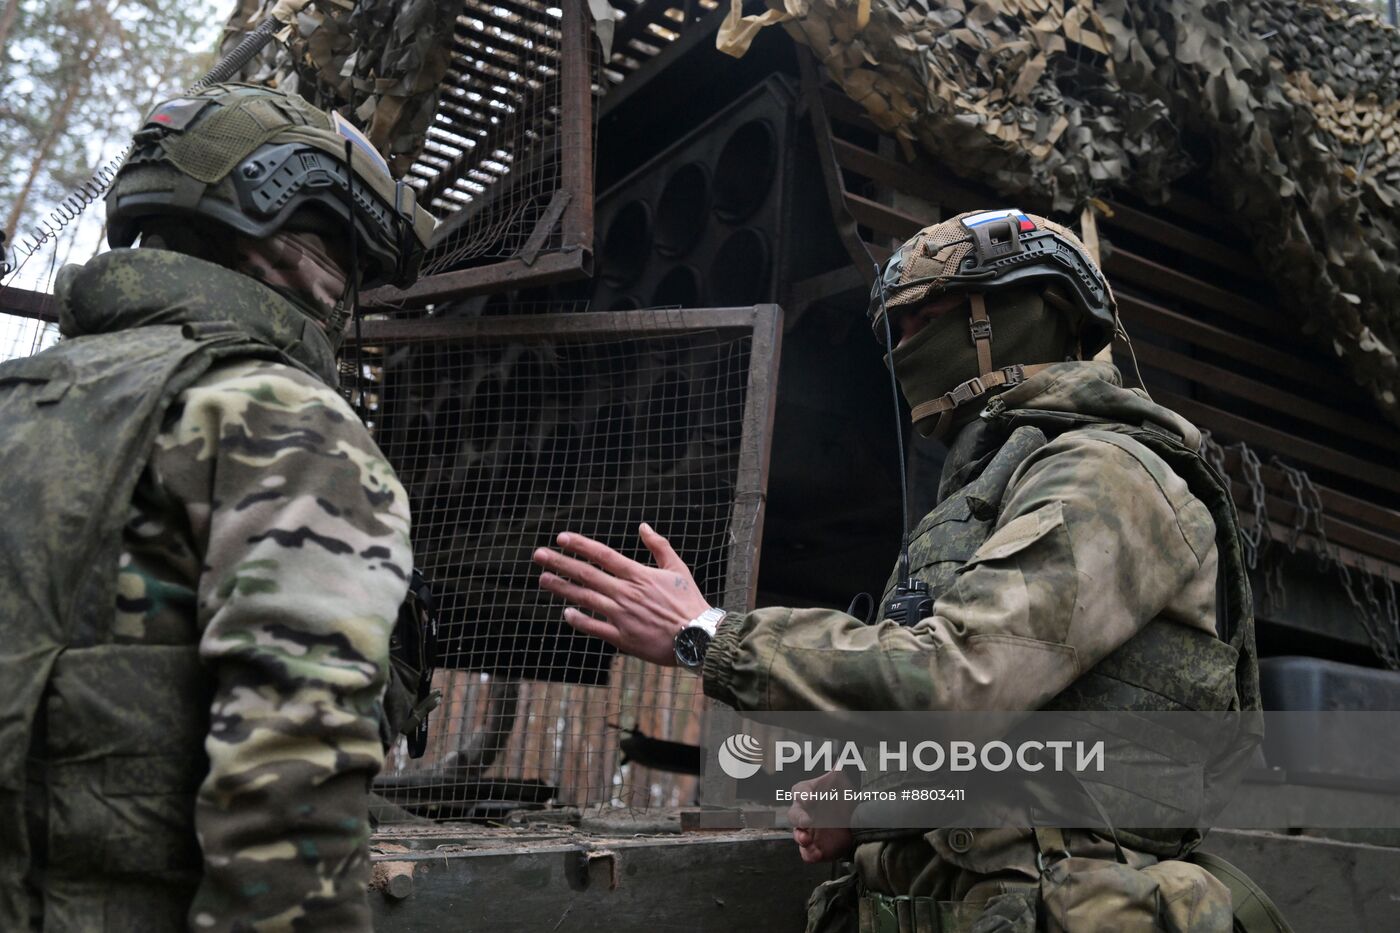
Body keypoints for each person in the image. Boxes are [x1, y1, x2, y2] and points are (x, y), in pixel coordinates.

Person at [533, 209, 1264, 932]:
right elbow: (1018, 739)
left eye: (928, 320)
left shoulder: (1110, 477)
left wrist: (707, 635)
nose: (903, 352)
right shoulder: (1003, 482)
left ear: (1015, 316)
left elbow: (956, 680)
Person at [0, 84, 434, 931]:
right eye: (344, 258)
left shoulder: (19, 397)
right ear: (283, 224)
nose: (344, 294)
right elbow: (289, 806)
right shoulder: (276, 415)